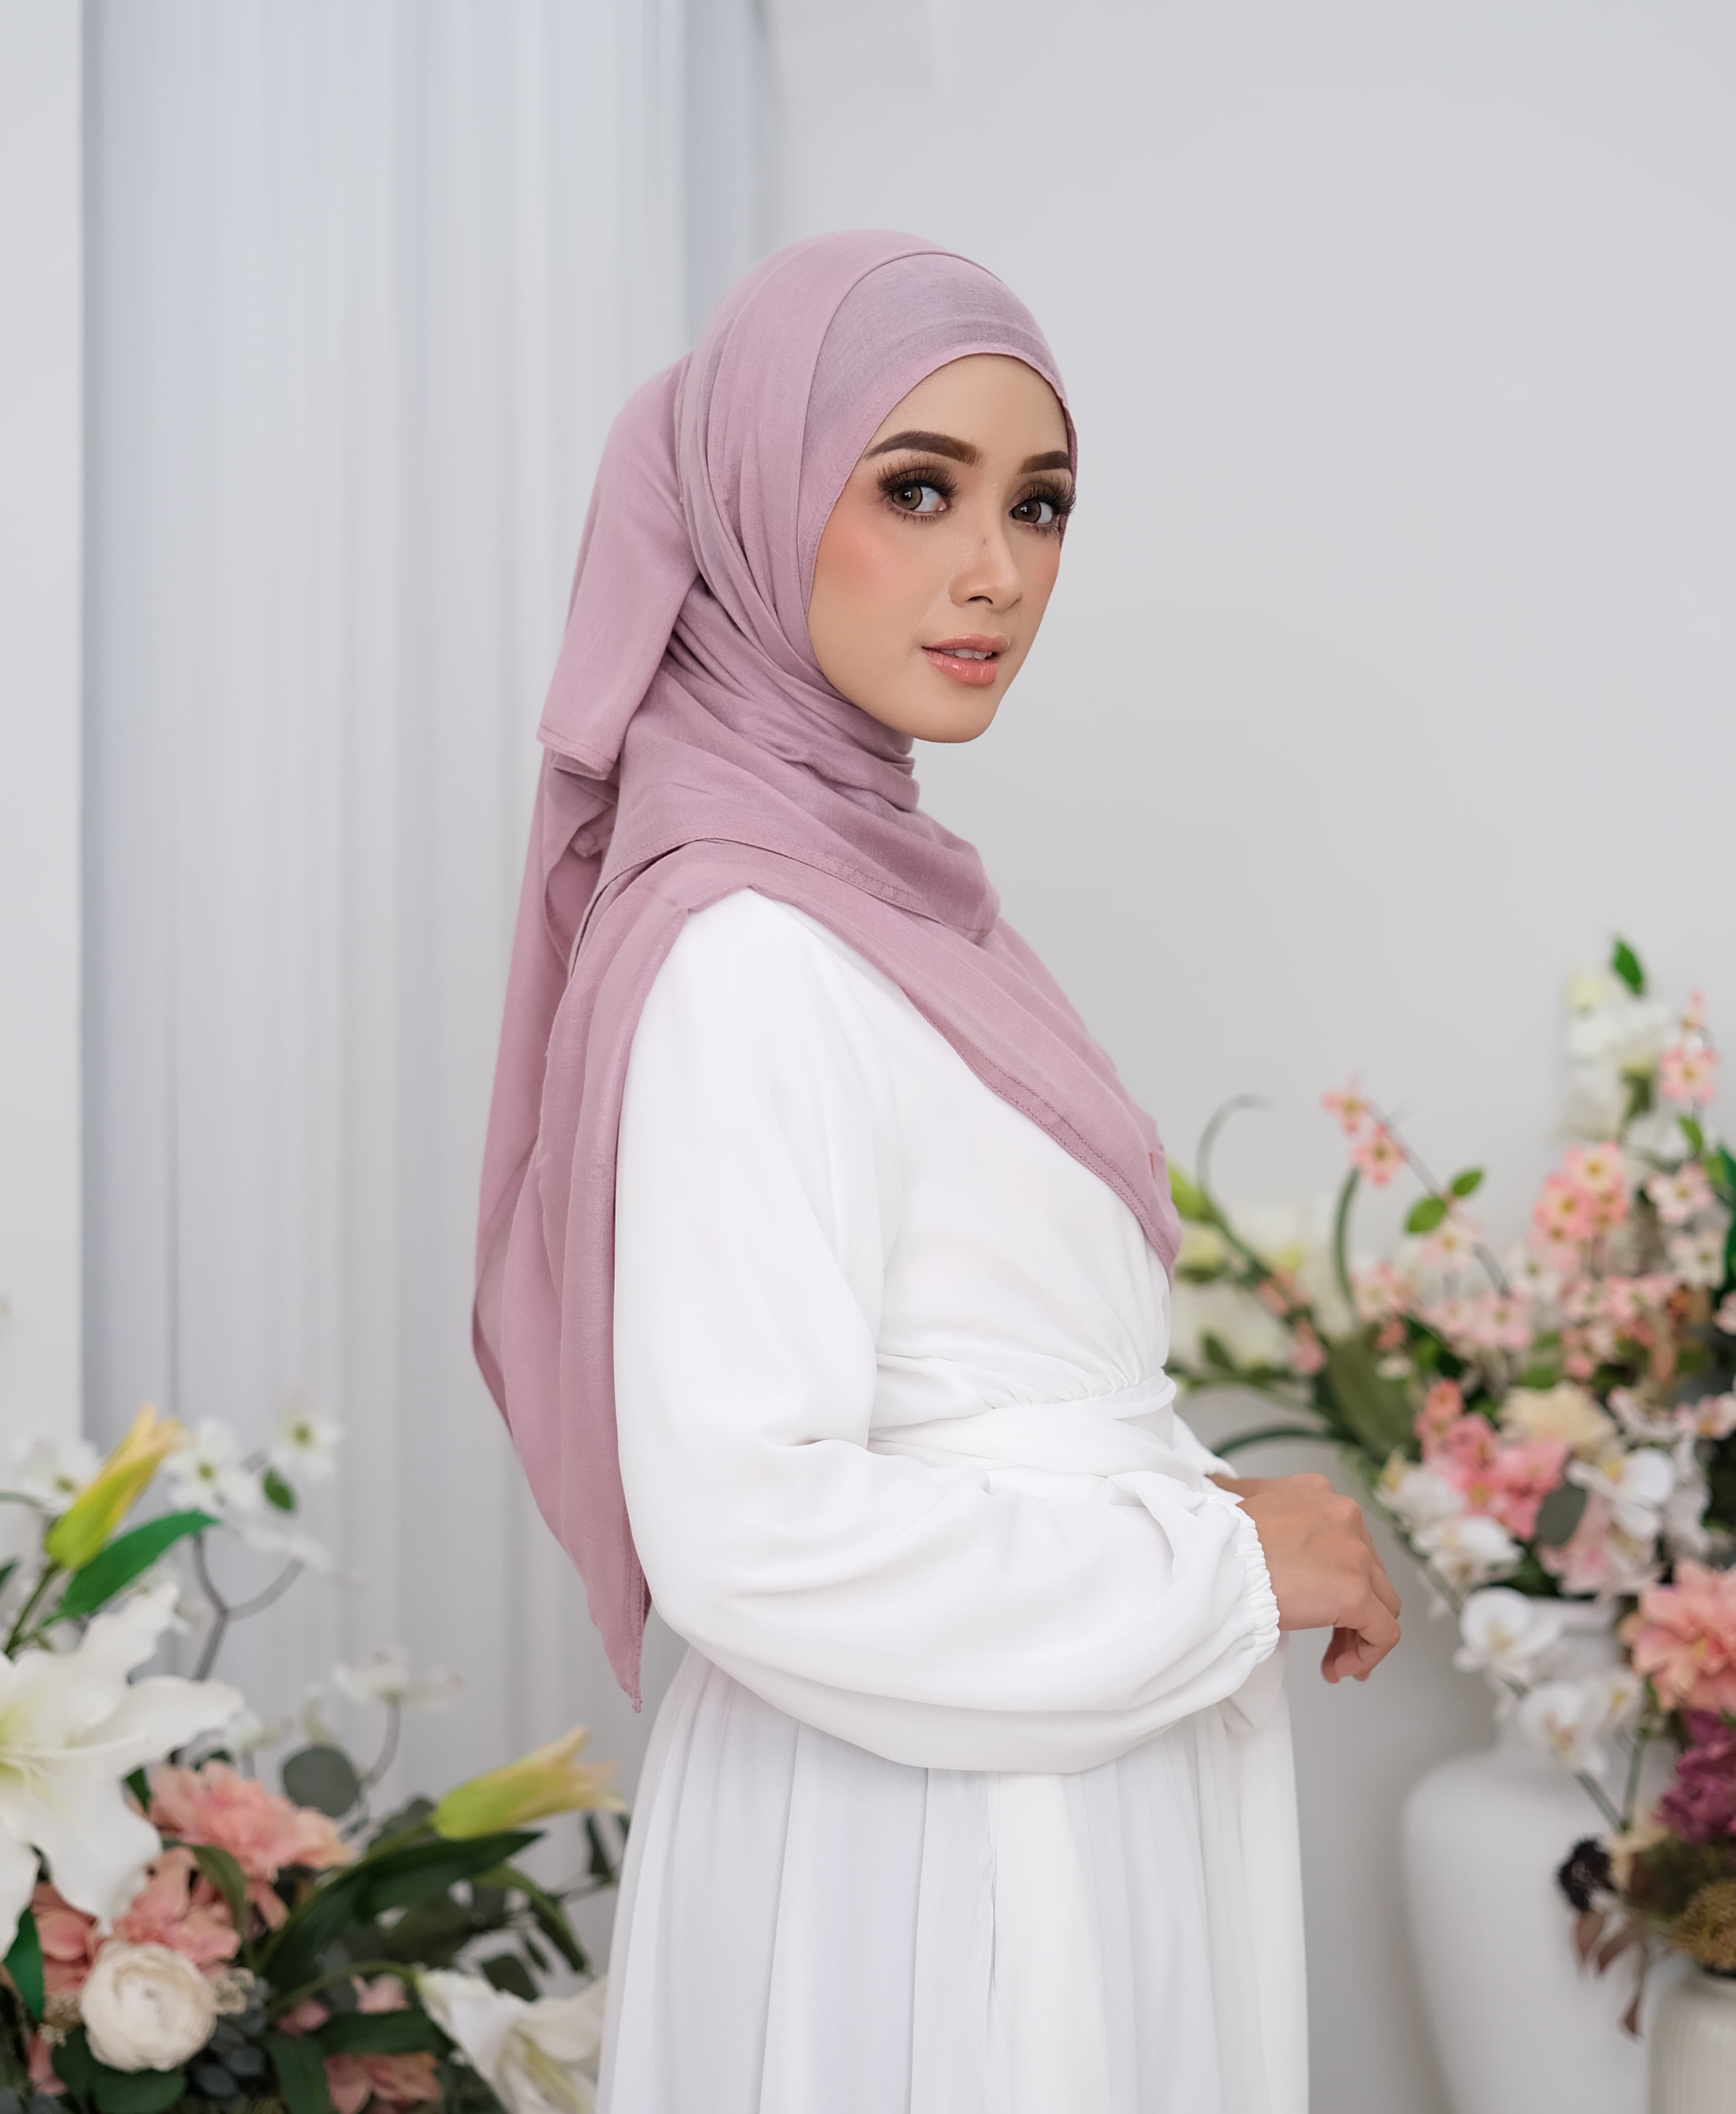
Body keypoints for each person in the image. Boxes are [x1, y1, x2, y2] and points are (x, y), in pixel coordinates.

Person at [473, 230, 1401, 2114]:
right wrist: (1223, 1568)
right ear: (751, 502)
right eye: (919, 489)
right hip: (932, 1853)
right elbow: (748, 1530)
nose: (998, 570)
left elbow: (972, 1385)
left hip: (1030, 1786)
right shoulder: (750, 952)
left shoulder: (885, 909)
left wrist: (1205, 1511)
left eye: (1040, 506)